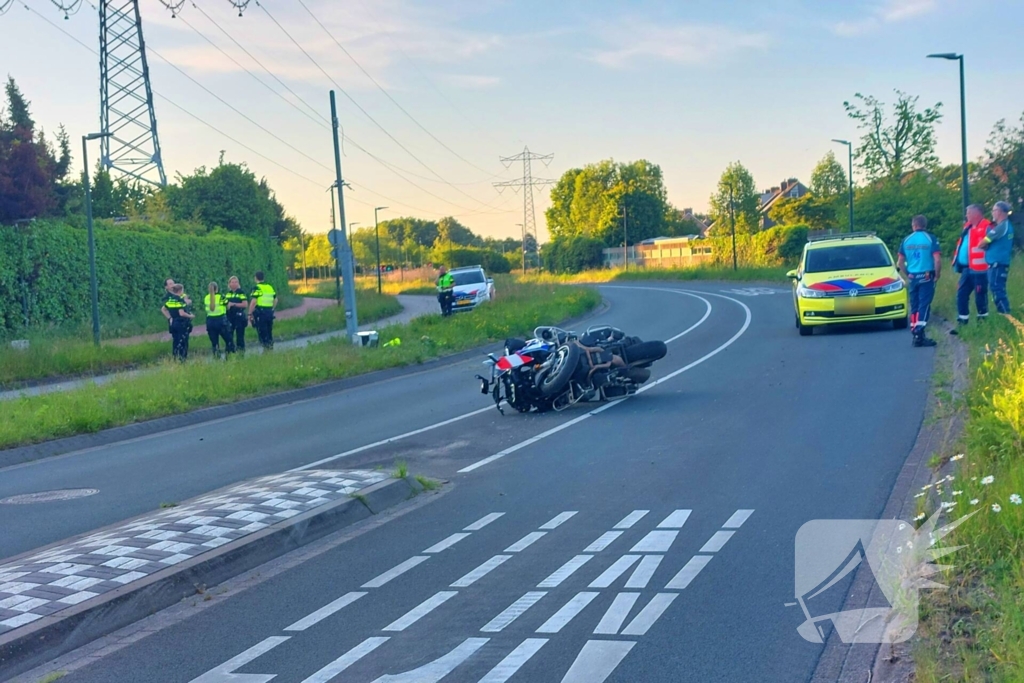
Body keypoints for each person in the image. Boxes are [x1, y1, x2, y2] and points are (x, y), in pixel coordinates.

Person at [897, 215, 942, 348]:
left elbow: (899, 262)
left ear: (914, 225)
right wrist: (937, 274)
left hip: (913, 277)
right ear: (924, 225)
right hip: (927, 275)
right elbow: (937, 259)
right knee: (925, 304)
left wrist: (908, 274)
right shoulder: (930, 238)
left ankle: (915, 332)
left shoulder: (906, 240)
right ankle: (920, 332)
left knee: (915, 305)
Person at [951, 204, 990, 332]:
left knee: (980, 296)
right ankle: (962, 323)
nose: (966, 215)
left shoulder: (987, 226)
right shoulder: (967, 227)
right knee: (961, 294)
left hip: (980, 269)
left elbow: (992, 244)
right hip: (967, 269)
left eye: (968, 213)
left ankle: (982, 324)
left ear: (976, 213)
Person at [981, 201, 1015, 314]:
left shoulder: (1000, 228)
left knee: (997, 290)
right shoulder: (1007, 226)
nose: (992, 213)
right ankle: (1005, 315)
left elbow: (982, 243)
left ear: (999, 212)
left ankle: (1006, 315)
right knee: (997, 289)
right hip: (1000, 265)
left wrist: (986, 244)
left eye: (994, 211)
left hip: (997, 265)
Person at [162, 283, 194, 360]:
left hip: (173, 323)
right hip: (181, 323)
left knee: (175, 341)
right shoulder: (180, 300)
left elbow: (163, 309)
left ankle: (175, 357)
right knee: (183, 342)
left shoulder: (171, 300)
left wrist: (169, 318)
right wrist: (191, 316)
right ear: (180, 290)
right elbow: (181, 313)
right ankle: (182, 359)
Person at [248, 271, 277, 349]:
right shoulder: (269, 287)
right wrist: (272, 308)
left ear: (255, 278)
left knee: (262, 332)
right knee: (269, 331)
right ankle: (270, 347)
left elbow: (254, 302)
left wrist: (250, 313)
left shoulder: (256, 288)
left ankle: (266, 349)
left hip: (261, 313)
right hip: (269, 313)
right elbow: (276, 299)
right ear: (263, 278)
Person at [204, 282, 234, 357]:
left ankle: (216, 358)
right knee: (228, 340)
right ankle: (229, 356)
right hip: (221, 321)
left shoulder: (206, 298)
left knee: (214, 343)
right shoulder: (221, 297)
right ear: (217, 288)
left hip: (210, 321)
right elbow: (228, 306)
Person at [224, 275, 249, 353]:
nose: (234, 284)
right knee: (229, 336)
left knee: (240, 337)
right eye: (232, 282)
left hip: (239, 317)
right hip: (230, 317)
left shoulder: (241, 292)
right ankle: (230, 352)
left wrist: (233, 304)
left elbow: (245, 304)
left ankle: (241, 353)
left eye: (236, 282)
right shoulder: (228, 294)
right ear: (229, 284)